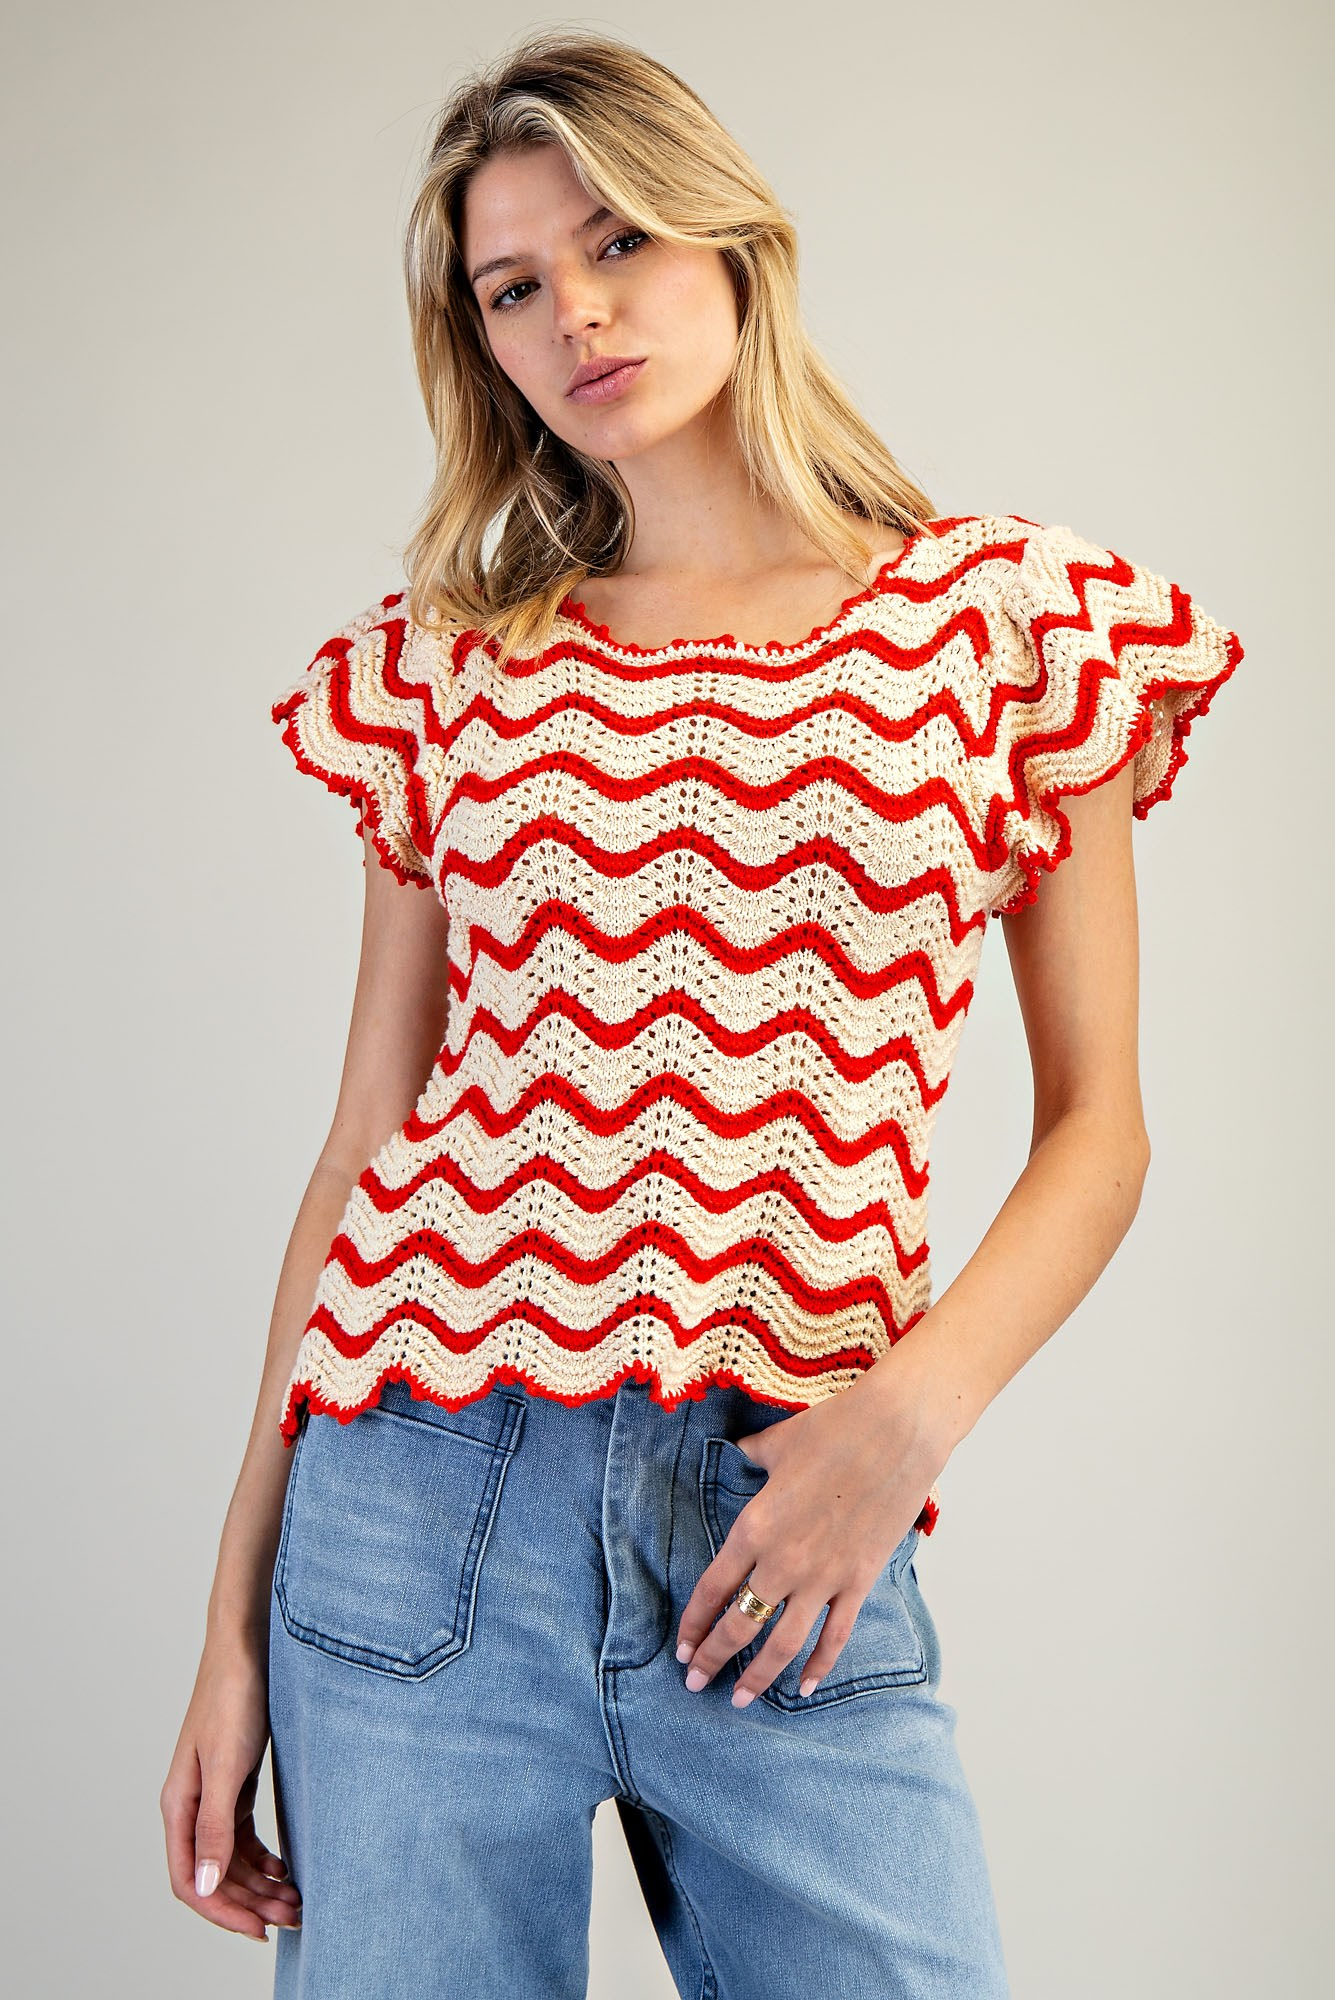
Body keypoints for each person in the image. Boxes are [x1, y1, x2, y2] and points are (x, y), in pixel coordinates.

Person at [160, 28, 1243, 1998]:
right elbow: (363, 1145)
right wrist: (228, 1626)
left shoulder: (1006, 628)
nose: (575, 312)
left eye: (618, 243)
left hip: (784, 1505)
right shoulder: (452, 673)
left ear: (732, 246)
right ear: (480, 341)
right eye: (511, 286)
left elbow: (1102, 1128)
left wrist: (899, 1425)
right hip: (417, 1503)